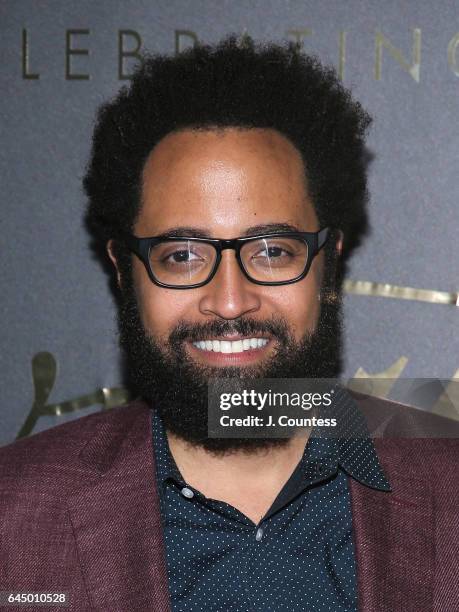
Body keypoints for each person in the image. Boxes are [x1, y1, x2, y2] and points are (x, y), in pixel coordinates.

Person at [0, 36, 457, 612]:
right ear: (124, 270)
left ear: (329, 261)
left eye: (272, 250)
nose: (231, 300)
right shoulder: (12, 519)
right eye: (183, 256)